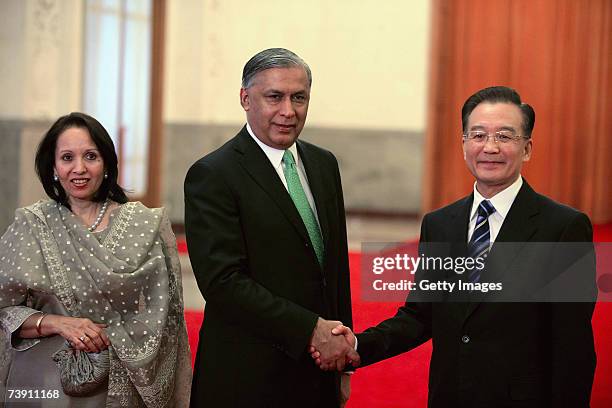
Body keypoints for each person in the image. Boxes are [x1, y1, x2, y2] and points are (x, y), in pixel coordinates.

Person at [312, 86, 597, 407]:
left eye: (504, 136)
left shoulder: (563, 228)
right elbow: (420, 316)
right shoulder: (440, 224)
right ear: (464, 145)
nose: (490, 147)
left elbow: (573, 348)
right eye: (478, 135)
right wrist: (358, 346)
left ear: (527, 148)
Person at [184, 48, 357, 408]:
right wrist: (311, 329)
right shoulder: (214, 174)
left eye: (299, 97)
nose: (288, 111)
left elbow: (335, 268)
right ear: (246, 99)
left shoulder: (324, 165)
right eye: (274, 97)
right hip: (248, 374)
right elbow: (223, 282)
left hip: (317, 370)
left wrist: (343, 359)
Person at [0, 112, 192, 407]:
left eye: (91, 156)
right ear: (53, 166)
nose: (79, 169)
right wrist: (57, 323)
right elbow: (4, 311)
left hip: (121, 385)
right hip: (44, 383)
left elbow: (166, 316)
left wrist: (109, 337)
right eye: (67, 158)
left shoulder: (143, 224)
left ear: (107, 164)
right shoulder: (32, 224)